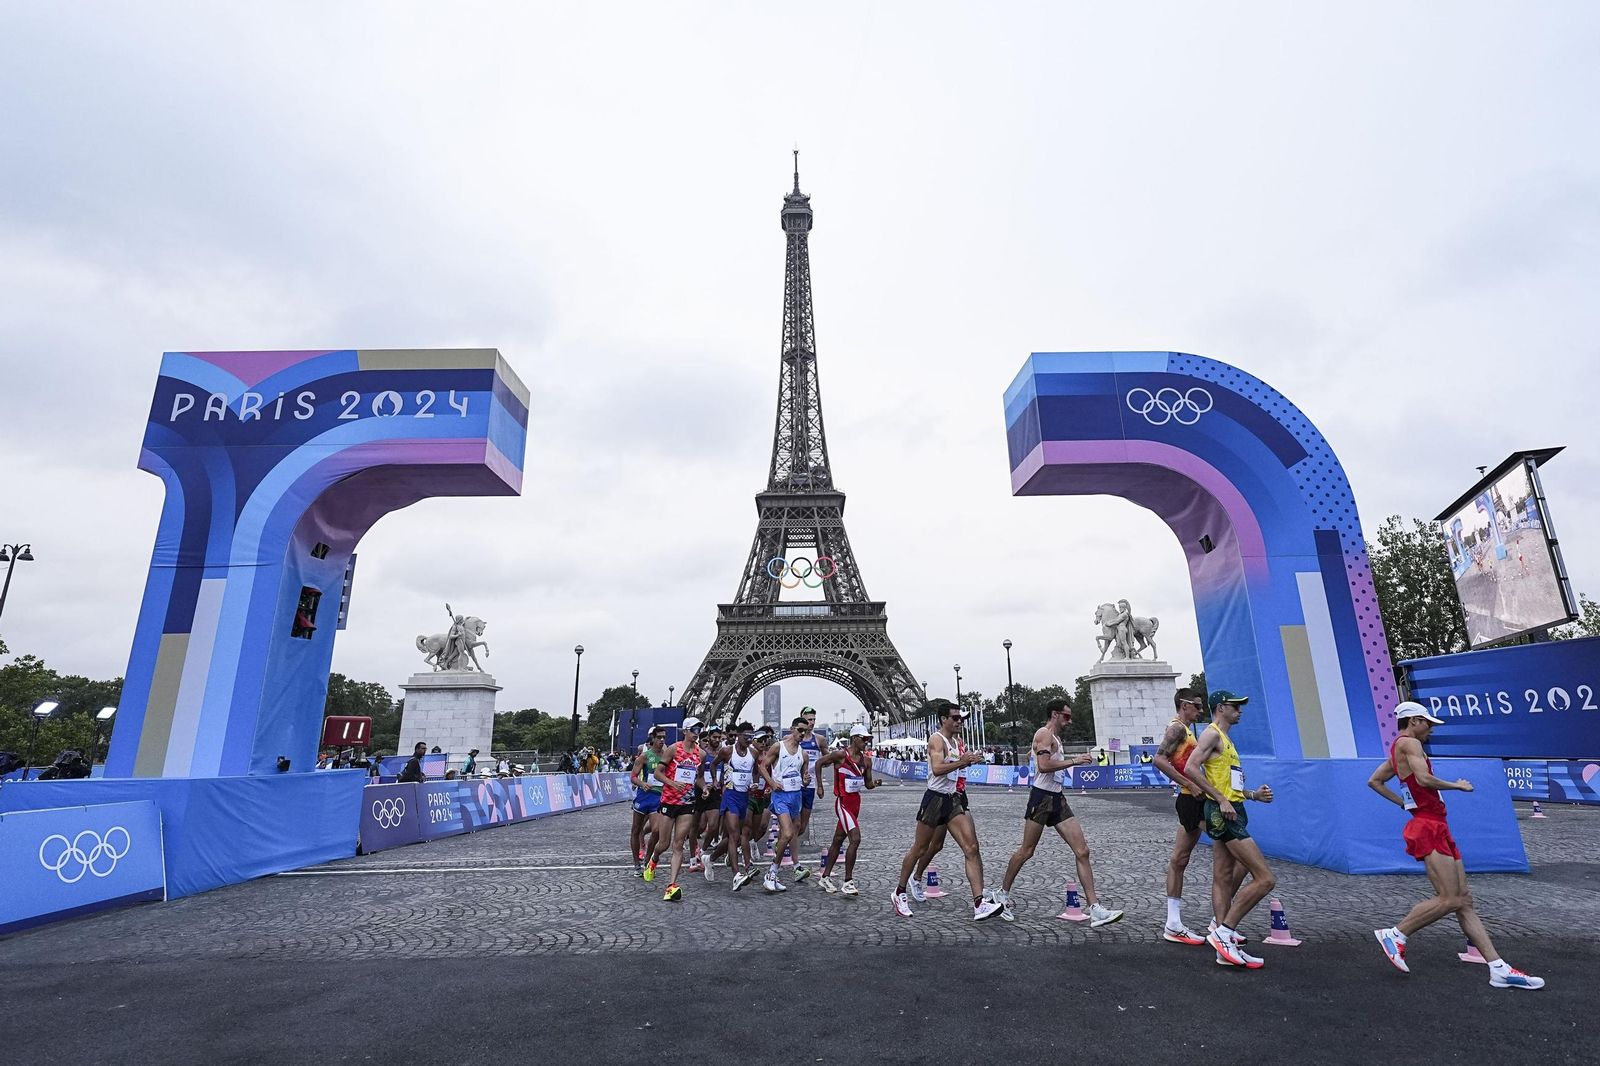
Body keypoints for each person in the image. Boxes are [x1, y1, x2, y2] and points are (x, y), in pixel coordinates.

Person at [1368, 703, 1545, 989]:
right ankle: (1396, 934)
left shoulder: (1398, 748)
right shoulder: (1410, 743)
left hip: (1435, 824)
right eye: (1428, 724)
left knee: (1463, 900)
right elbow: (1423, 779)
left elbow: (1374, 781)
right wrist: (1457, 785)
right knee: (1449, 898)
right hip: (1428, 826)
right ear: (1414, 721)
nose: (1431, 730)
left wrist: (1404, 803)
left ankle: (1498, 968)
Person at [995, 698, 1123, 926]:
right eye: (1066, 716)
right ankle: (1001, 894)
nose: (1070, 720)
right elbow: (1043, 766)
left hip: (1057, 798)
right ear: (1055, 714)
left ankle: (1095, 908)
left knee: (1082, 850)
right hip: (1041, 798)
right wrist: (1074, 760)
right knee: (1027, 851)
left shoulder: (1054, 738)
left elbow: (1045, 762)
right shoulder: (1044, 734)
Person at [1182, 690, 1273, 969]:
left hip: (1231, 808)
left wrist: (1253, 795)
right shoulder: (1211, 735)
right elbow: (1190, 767)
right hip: (1224, 813)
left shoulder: (1225, 739)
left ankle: (1225, 946)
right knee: (1265, 878)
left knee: (1222, 876)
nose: (1241, 711)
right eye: (1236, 706)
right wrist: (1220, 799)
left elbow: (1228, 784)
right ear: (1220, 708)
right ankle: (1224, 932)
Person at [892, 701, 1003, 921]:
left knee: (971, 847)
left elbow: (955, 767)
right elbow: (937, 768)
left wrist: (969, 760)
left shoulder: (956, 741)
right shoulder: (937, 739)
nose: (959, 721)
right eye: (955, 718)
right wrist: (962, 762)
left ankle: (979, 903)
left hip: (952, 799)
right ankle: (899, 891)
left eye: (961, 718)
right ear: (944, 719)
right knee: (920, 848)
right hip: (934, 799)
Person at [1151, 688, 1210, 945]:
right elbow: (1160, 760)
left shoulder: (1186, 730)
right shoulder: (1176, 729)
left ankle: (1173, 923)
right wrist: (1192, 784)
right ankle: (1222, 924)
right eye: (1197, 706)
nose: (1200, 710)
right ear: (1184, 706)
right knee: (1232, 851)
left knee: (1179, 859)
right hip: (1191, 799)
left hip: (1192, 798)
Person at [813, 724, 878, 894]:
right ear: (854, 738)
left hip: (855, 803)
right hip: (843, 803)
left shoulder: (866, 761)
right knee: (855, 839)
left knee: (838, 840)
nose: (866, 742)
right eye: (863, 739)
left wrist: (875, 784)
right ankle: (848, 881)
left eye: (868, 739)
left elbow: (868, 784)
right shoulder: (841, 756)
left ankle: (825, 877)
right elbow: (819, 763)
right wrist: (819, 786)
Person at [646, 717, 706, 901]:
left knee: (678, 844)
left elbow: (699, 777)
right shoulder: (674, 749)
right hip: (669, 802)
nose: (697, 732)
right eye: (694, 729)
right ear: (685, 731)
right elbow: (657, 773)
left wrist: (704, 788)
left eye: (699, 730)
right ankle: (653, 860)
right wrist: (672, 783)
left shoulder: (700, 754)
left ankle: (671, 886)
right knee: (663, 844)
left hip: (687, 803)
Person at [758, 716, 814, 892]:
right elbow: (762, 766)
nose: (802, 734)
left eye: (805, 731)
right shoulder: (778, 747)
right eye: (800, 730)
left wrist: (806, 780)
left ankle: (775, 872)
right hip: (781, 796)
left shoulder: (803, 754)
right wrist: (772, 783)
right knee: (788, 833)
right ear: (792, 729)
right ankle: (771, 872)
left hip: (795, 795)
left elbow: (804, 778)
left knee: (791, 833)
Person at [714, 723, 762, 891]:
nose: (749, 740)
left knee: (741, 834)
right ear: (739, 735)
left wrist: (755, 783)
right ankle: (736, 875)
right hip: (730, 796)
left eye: (751, 737)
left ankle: (710, 858)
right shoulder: (727, 751)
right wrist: (716, 781)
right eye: (746, 737)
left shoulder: (754, 752)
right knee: (734, 835)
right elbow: (713, 765)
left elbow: (756, 770)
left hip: (745, 797)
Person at [629, 726, 668, 876]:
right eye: (659, 737)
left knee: (657, 830)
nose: (662, 740)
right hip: (643, 797)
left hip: (658, 798)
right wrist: (642, 784)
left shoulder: (667, 756)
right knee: (636, 830)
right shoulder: (645, 756)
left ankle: (647, 859)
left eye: (664, 737)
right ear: (652, 738)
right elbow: (633, 776)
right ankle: (636, 864)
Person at [796, 707, 824, 854]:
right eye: (809, 720)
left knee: (803, 826)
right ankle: (786, 846)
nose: (812, 722)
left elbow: (827, 759)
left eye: (814, 719)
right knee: (794, 821)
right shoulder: (793, 740)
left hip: (810, 785)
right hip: (795, 785)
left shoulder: (819, 740)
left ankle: (787, 842)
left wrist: (820, 784)